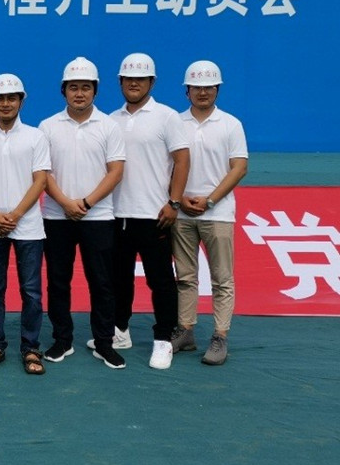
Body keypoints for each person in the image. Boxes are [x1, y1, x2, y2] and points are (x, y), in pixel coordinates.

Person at [38, 56, 127, 369]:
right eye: (73, 87)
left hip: (98, 217)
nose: (79, 93)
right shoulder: (47, 126)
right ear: (63, 90)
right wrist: (65, 202)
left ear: (95, 91)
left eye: (86, 88)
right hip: (56, 216)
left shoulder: (109, 126)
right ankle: (62, 340)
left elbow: (116, 171)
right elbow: (43, 172)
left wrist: (86, 203)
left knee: (102, 282)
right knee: (58, 282)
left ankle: (104, 343)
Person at [104, 53, 190, 371]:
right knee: (119, 279)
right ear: (120, 82)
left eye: (140, 79)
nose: (134, 84)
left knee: (161, 281)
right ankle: (120, 330)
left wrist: (174, 202)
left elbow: (182, 160)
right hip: (117, 213)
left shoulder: (167, 117)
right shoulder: (110, 120)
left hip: (155, 215)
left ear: (152, 82)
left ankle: (163, 339)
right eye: (128, 79)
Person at [0, 73, 50, 375]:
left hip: (28, 226)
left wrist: (15, 214)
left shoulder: (35, 136)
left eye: (11, 98)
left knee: (31, 291)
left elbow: (40, 180)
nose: (6, 103)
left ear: (21, 101)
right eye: (0, 99)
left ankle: (31, 347)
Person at [171, 60, 248, 366]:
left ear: (217, 89)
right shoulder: (174, 123)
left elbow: (239, 168)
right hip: (182, 213)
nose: (202, 92)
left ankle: (220, 335)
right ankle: (185, 330)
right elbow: (166, 166)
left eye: (209, 87)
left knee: (221, 279)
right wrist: (180, 199)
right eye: (196, 87)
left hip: (218, 213)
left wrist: (211, 200)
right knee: (185, 276)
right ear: (187, 90)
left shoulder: (231, 124)